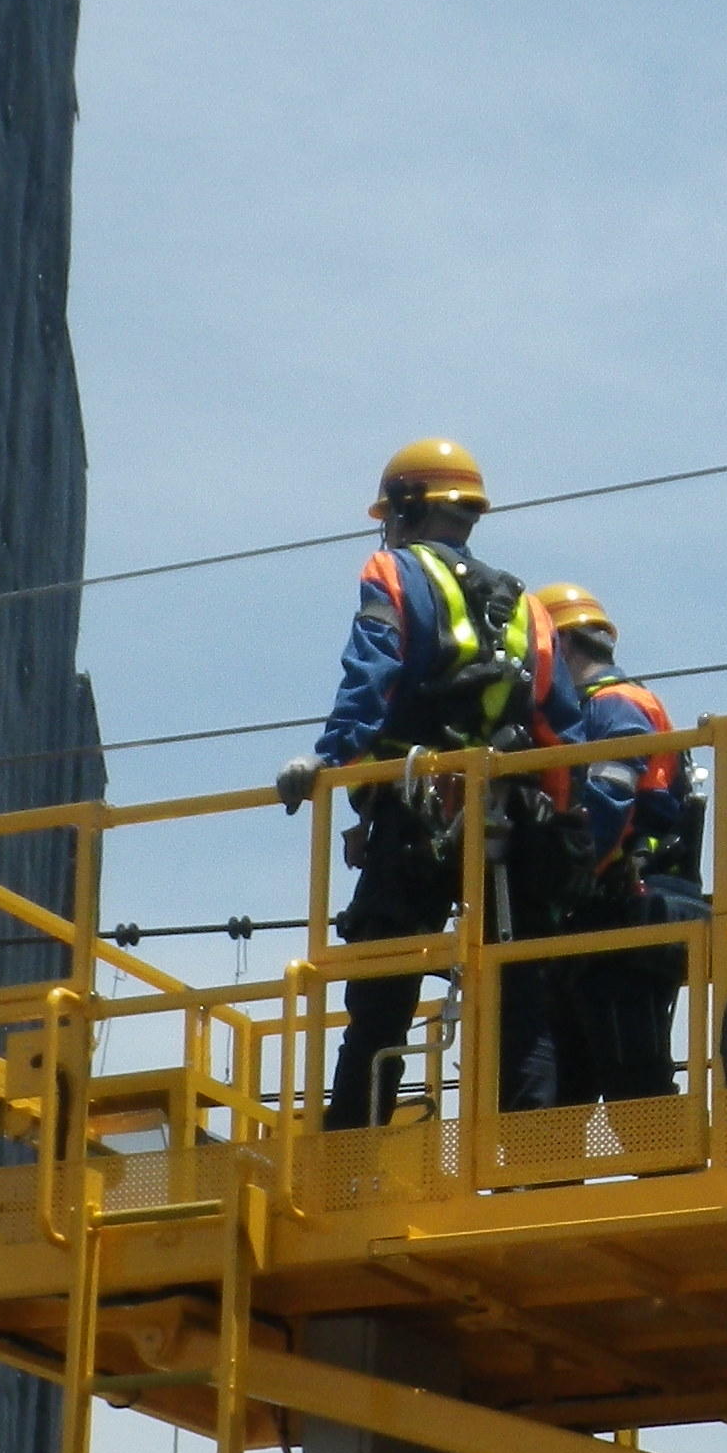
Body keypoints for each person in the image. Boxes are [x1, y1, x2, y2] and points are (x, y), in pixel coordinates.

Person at [277, 437, 537, 1128]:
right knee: (516, 989)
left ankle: (349, 1155)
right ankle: (526, 1155)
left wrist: (329, 763)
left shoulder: (395, 571)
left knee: (381, 991)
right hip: (500, 823)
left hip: (417, 818)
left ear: (404, 507)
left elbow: (372, 671)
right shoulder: (522, 603)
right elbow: (558, 724)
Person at [529, 586, 705, 1105]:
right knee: (567, 1091)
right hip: (607, 913)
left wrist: (573, 877)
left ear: (558, 646)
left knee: (634, 1086)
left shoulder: (614, 704)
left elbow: (611, 795)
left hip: (626, 908)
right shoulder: (594, 708)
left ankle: (671, 1178)